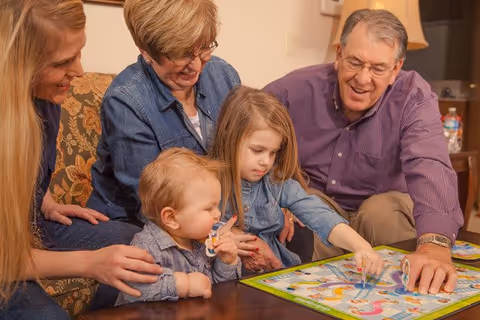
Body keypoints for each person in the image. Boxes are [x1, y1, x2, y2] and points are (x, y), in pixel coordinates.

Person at [264, 9, 463, 295]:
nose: (362, 78)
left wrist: (434, 245)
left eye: (378, 68)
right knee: (305, 204)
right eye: (355, 62)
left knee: (379, 212)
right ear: (339, 54)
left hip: (385, 212)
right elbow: (245, 136)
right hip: (320, 206)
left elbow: (429, 163)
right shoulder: (292, 89)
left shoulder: (414, 96)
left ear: (396, 69)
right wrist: (272, 192)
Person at [0, 1, 162, 318]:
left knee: (143, 245)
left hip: (32, 228)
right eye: (62, 62)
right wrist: (91, 263)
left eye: (79, 52)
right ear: (18, 63)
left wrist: (41, 199)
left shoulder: (45, 97)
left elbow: (23, 167)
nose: (79, 71)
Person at [87, 0, 240, 225]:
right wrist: (225, 235)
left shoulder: (223, 75)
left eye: (205, 47)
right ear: (146, 51)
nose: (197, 65)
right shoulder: (126, 102)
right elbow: (152, 208)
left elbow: (247, 151)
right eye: (182, 54)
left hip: (211, 215)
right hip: (145, 223)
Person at [209, 86, 385, 274]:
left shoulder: (276, 182)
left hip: (272, 274)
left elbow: (319, 214)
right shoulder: (207, 181)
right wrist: (220, 236)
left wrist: (361, 246)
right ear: (230, 136)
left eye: (273, 152)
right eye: (257, 150)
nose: (266, 162)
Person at [116, 148, 240, 305]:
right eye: (209, 208)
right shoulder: (146, 246)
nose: (218, 215)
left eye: (217, 205)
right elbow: (134, 289)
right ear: (171, 218)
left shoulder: (202, 240)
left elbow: (214, 290)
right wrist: (184, 285)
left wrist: (227, 262)